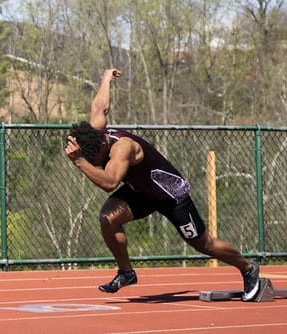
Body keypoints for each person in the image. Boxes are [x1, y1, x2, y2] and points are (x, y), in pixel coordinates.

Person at [64, 68, 261, 301]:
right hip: (141, 193)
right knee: (108, 218)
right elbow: (100, 106)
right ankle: (126, 272)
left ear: (101, 148)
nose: (94, 164)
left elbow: (110, 182)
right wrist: (106, 78)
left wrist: (79, 161)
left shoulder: (122, 148)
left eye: (93, 160)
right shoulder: (96, 132)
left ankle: (248, 268)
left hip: (170, 196)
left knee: (204, 244)